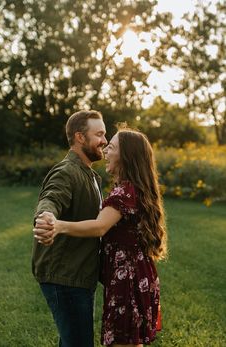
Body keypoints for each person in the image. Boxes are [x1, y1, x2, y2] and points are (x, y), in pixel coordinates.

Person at [34, 127, 167, 347]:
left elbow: (98, 227)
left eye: (111, 147)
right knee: (130, 341)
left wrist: (58, 226)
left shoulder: (124, 193)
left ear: (125, 156)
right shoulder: (133, 189)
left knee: (124, 341)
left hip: (128, 281)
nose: (105, 149)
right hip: (135, 275)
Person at [32, 110, 107, 347]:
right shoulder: (67, 171)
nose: (105, 140)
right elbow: (52, 198)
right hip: (64, 276)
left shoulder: (92, 176)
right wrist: (45, 218)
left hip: (80, 274)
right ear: (80, 137)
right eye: (99, 134)